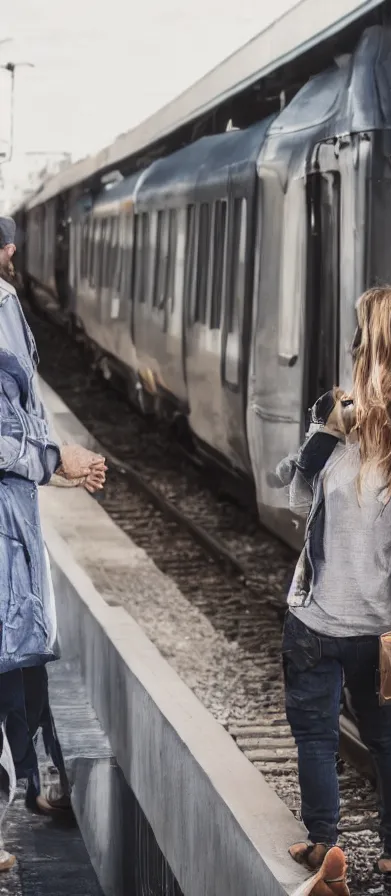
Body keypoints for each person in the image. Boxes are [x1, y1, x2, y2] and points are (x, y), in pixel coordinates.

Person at [277, 286, 391, 894]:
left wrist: (320, 438)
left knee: (315, 734)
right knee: (386, 739)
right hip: (383, 623)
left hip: (317, 617)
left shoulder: (335, 414)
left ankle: (326, 843)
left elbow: (298, 498)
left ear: (368, 343)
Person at [0, 216, 107, 870]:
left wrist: (53, 461)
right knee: (15, 655)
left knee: (19, 656)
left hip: (12, 510)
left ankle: (37, 780)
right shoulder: (2, 304)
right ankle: (33, 784)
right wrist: (50, 458)